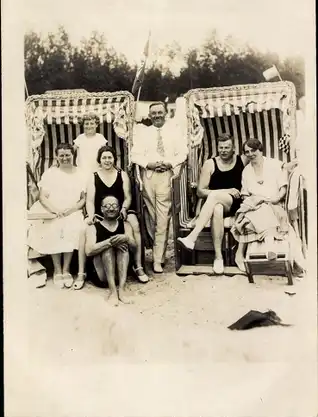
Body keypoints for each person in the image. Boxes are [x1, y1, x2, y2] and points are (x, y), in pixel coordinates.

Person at [74, 145, 148, 289]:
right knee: (84, 229)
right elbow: (89, 200)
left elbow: (127, 197)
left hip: (120, 210)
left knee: (135, 224)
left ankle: (138, 266)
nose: (107, 160)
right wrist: (90, 216)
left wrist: (125, 209)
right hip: (100, 212)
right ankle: (81, 272)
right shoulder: (93, 176)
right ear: (99, 160)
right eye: (104, 158)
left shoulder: (122, 174)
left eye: (110, 157)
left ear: (114, 159)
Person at [231, 138, 305, 274]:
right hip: (254, 204)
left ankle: (245, 253)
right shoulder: (246, 171)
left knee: (265, 210)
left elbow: (283, 189)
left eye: (253, 150)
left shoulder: (274, 165)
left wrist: (273, 200)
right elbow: (245, 193)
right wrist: (253, 202)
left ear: (260, 150)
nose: (250, 154)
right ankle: (261, 248)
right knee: (254, 211)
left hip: (274, 202)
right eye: (247, 152)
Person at [131, 101, 188, 273]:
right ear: (149, 116)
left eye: (159, 112)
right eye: (153, 113)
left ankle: (157, 259)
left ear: (165, 113)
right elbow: (135, 154)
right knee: (151, 218)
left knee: (163, 218)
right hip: (148, 177)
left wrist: (169, 163)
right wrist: (149, 164)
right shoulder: (143, 133)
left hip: (167, 176)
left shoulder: (174, 131)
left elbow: (183, 153)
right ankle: (155, 250)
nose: (156, 116)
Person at [177, 134, 246, 274]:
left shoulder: (241, 160)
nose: (224, 150)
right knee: (217, 208)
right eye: (221, 147)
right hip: (214, 205)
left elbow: (259, 158)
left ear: (233, 148)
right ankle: (218, 257)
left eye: (227, 147)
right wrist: (227, 190)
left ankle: (192, 237)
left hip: (235, 203)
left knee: (215, 198)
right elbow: (200, 192)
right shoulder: (210, 163)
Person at [27, 143, 86, 288]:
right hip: (52, 210)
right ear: (57, 157)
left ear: (73, 155)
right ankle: (57, 270)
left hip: (72, 210)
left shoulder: (81, 173)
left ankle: (66, 270)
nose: (65, 158)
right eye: (62, 155)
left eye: (68, 155)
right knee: (54, 227)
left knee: (73, 227)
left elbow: (83, 198)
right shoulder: (50, 173)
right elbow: (42, 197)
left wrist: (71, 210)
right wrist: (54, 210)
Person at [80, 195, 135, 305]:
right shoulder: (93, 228)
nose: (111, 208)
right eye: (107, 206)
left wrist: (127, 238)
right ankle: (113, 292)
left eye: (114, 205)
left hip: (120, 274)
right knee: (107, 249)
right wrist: (110, 243)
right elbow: (88, 251)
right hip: (102, 275)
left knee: (123, 246)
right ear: (101, 209)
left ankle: (122, 290)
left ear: (119, 208)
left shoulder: (126, 225)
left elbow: (135, 246)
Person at [73, 113, 107, 178]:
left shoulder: (100, 137)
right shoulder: (80, 138)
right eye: (86, 124)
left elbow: (105, 153)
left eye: (91, 123)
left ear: (96, 125)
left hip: (97, 170)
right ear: (83, 125)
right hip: (82, 171)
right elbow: (71, 151)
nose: (89, 126)